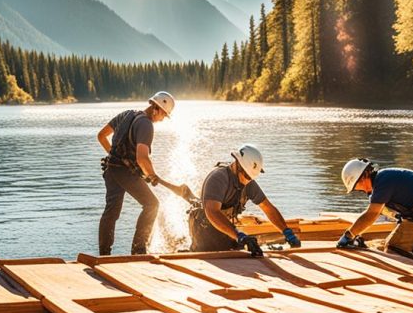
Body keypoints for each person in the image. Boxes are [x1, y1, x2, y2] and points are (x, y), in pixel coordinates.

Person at [96, 91, 175, 255]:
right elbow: (142, 157)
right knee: (152, 204)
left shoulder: (126, 114)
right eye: (164, 115)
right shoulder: (146, 125)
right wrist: (152, 175)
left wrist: (115, 156)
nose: (162, 119)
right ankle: (138, 250)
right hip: (124, 173)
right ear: (157, 109)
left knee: (111, 210)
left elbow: (101, 136)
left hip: (111, 169)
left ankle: (104, 253)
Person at [188, 144, 301, 255]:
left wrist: (287, 232)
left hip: (225, 228)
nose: (247, 181)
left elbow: (268, 208)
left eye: (250, 178)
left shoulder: (249, 183)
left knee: (244, 252)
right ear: (237, 165)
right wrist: (239, 236)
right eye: (246, 176)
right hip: (204, 228)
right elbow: (212, 212)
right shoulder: (218, 179)